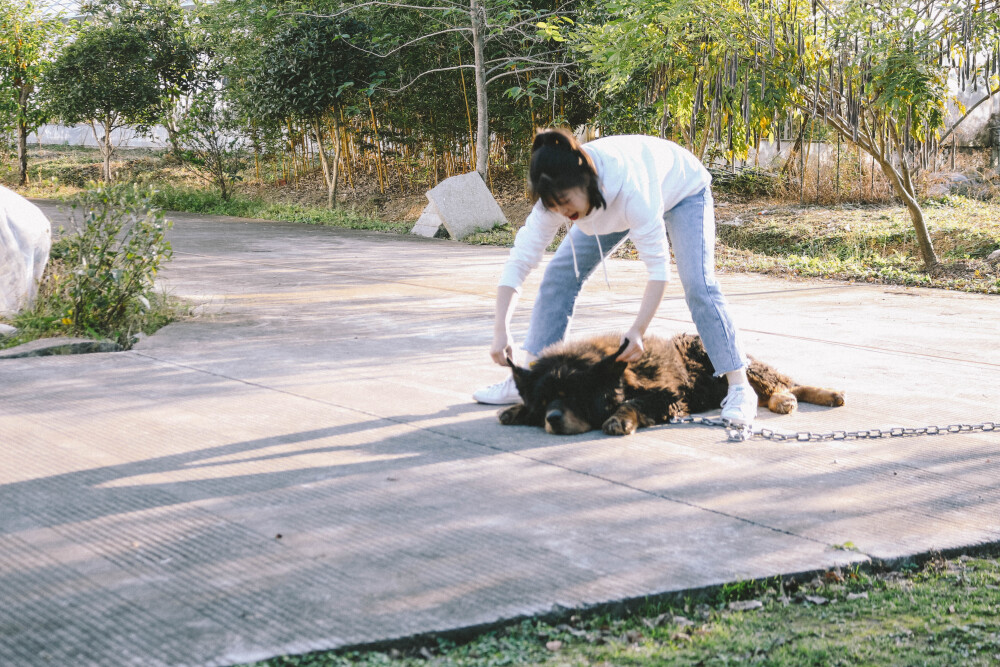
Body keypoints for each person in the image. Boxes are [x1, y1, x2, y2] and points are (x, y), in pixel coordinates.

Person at [472, 128, 759, 427]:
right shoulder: (556, 198)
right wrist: (501, 330)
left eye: (566, 202)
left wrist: (637, 329)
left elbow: (659, 271)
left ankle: (739, 385)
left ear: (586, 181)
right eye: (554, 206)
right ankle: (531, 375)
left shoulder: (634, 190)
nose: (561, 211)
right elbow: (518, 263)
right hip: (607, 207)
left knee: (699, 285)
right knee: (559, 275)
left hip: (684, 190)